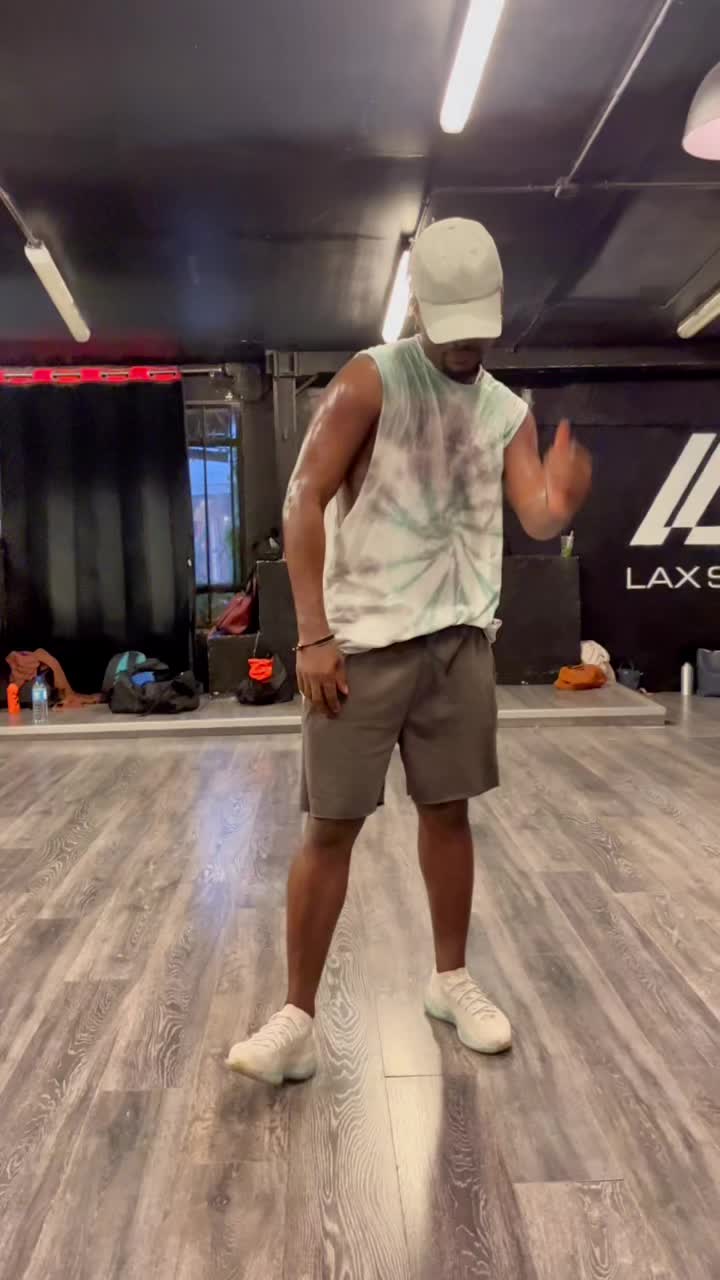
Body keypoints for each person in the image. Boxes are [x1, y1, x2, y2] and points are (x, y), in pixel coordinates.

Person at [227, 217, 591, 1085]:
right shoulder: (372, 379)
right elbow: (304, 498)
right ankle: (296, 1019)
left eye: (479, 325)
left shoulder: (506, 411)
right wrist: (312, 633)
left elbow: (535, 516)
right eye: (450, 323)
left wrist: (562, 499)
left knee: (448, 813)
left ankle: (450, 980)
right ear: (419, 305)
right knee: (330, 829)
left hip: (459, 643)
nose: (466, 343)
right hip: (358, 649)